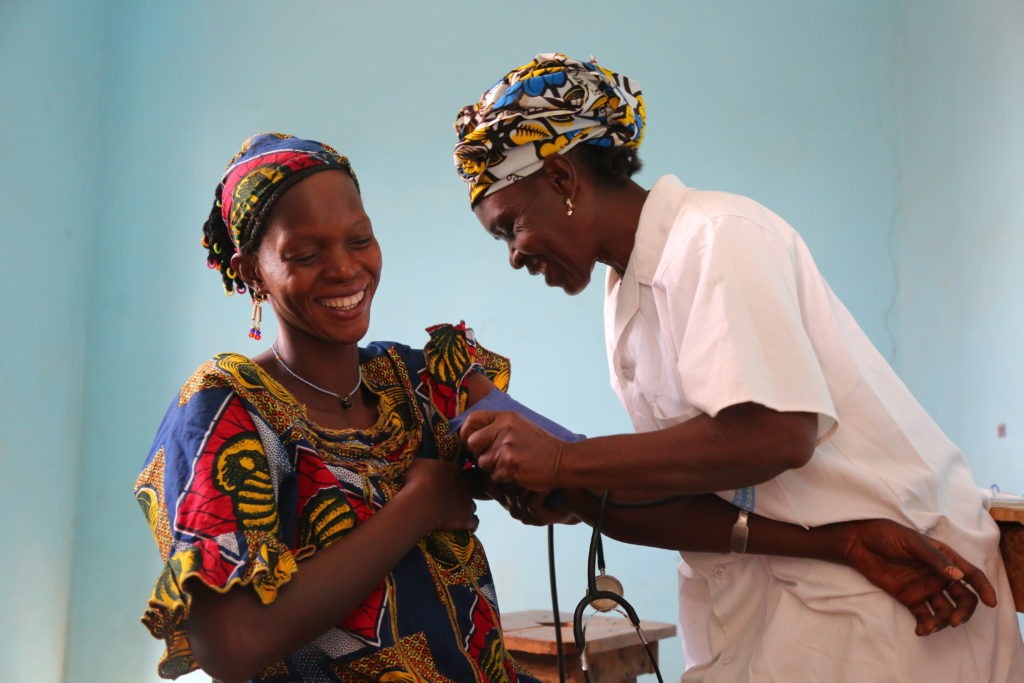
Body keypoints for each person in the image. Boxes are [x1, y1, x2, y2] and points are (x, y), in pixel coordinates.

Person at [451, 53, 1024, 682]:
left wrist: (565, 462)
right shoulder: (629, 288)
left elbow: (774, 435)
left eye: (510, 228)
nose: (513, 256)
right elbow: (697, 476)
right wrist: (578, 493)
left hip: (899, 597)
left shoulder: (717, 234)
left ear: (562, 179)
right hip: (799, 580)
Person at [134, 132, 545, 683]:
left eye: (360, 240)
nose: (346, 269)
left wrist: (542, 482)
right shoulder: (224, 412)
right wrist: (419, 506)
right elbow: (231, 646)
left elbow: (561, 466)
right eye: (305, 254)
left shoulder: (423, 380)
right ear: (253, 271)